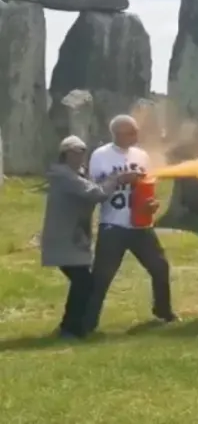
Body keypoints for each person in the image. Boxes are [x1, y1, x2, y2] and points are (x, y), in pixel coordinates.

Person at [81, 114, 176, 334]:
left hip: (141, 225)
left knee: (160, 267)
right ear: (117, 134)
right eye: (131, 132)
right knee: (102, 277)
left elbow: (146, 189)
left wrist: (151, 204)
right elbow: (94, 190)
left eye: (136, 131)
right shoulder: (100, 156)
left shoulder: (141, 156)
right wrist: (119, 180)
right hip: (113, 226)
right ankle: (87, 324)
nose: (136, 136)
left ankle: (163, 311)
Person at [40, 136, 137, 338]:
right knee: (83, 282)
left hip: (75, 239)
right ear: (65, 154)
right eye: (76, 152)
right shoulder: (64, 176)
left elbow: (94, 185)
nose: (81, 156)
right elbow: (95, 193)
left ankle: (76, 327)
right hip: (64, 239)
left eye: (83, 151)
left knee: (84, 283)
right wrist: (118, 179)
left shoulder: (76, 174)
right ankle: (70, 328)